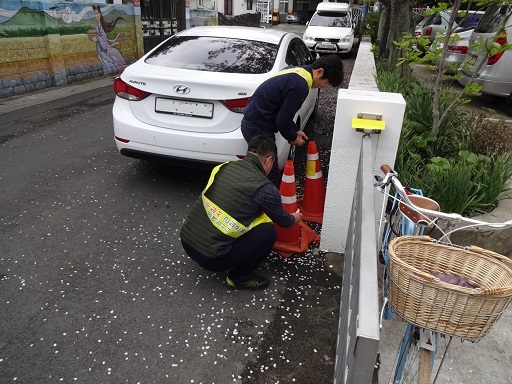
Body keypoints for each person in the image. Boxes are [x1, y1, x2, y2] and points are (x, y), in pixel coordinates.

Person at [180, 136, 302, 291]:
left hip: (187, 242)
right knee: (268, 232)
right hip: (211, 258)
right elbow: (284, 221)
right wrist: (294, 218)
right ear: (269, 160)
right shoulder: (265, 189)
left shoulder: (225, 166)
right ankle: (238, 277)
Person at [241, 54, 344, 187]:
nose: (324, 86)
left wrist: (296, 131)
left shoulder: (297, 71)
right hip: (258, 127)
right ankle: (267, 205)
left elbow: (284, 113)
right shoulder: (300, 85)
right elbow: (282, 120)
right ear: (320, 71)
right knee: (270, 173)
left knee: (261, 170)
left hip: (254, 123)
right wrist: (293, 137)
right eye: (327, 82)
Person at [91, 5, 127, 75]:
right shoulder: (97, 26)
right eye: (95, 14)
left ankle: (117, 70)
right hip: (99, 48)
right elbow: (99, 35)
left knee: (114, 54)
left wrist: (97, 39)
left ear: (100, 14)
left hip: (104, 47)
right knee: (105, 61)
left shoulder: (103, 25)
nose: (96, 15)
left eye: (97, 13)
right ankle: (108, 72)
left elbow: (103, 36)